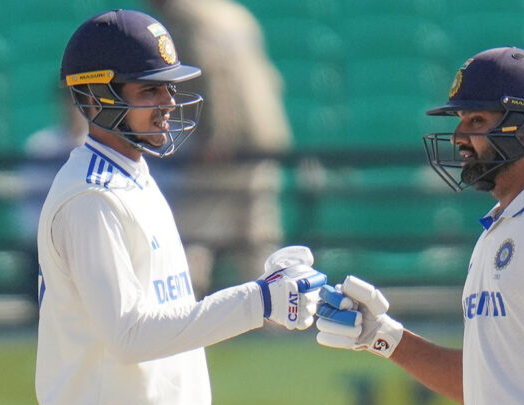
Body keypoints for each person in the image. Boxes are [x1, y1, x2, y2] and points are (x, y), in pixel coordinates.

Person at [315, 47, 524, 404]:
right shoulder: (499, 227)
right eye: (461, 120)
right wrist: (381, 335)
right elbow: (481, 382)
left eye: (476, 121)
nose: (458, 137)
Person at [35, 10, 325, 405]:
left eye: (168, 88)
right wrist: (259, 301)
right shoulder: (92, 198)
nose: (169, 102)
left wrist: (268, 296)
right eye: (149, 91)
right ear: (95, 96)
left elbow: (168, 320)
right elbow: (129, 336)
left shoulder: (133, 176)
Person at [150, 0, 292, 286]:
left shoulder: (186, 17)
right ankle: (277, 316)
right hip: (263, 133)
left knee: (193, 236)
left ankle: (178, 315)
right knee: (258, 239)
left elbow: (213, 74)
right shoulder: (233, 13)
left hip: (228, 142)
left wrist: (218, 135)